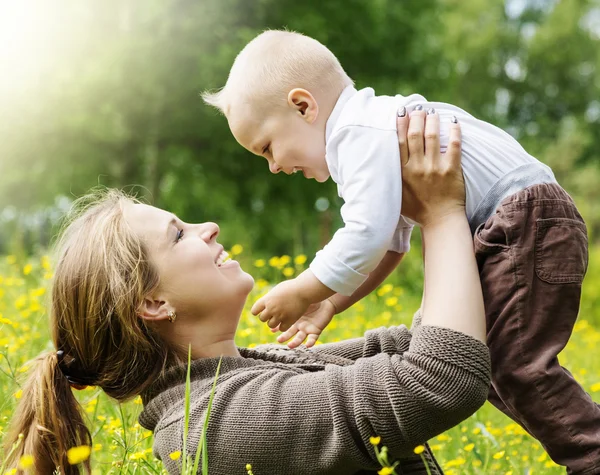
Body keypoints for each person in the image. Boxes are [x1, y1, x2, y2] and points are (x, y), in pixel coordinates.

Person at [202, 30, 599, 473]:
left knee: (517, 366)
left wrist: (302, 288)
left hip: (522, 219)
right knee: (480, 359)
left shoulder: (356, 135)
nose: (274, 166)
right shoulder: (374, 133)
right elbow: (390, 243)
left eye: (267, 148)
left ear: (303, 106)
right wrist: (329, 302)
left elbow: (366, 234)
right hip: (515, 222)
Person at [4, 114, 489, 474]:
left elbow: (409, 351)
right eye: (179, 235)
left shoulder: (247, 374)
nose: (209, 227)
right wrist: (441, 214)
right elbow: (440, 377)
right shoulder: (215, 426)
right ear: (153, 304)